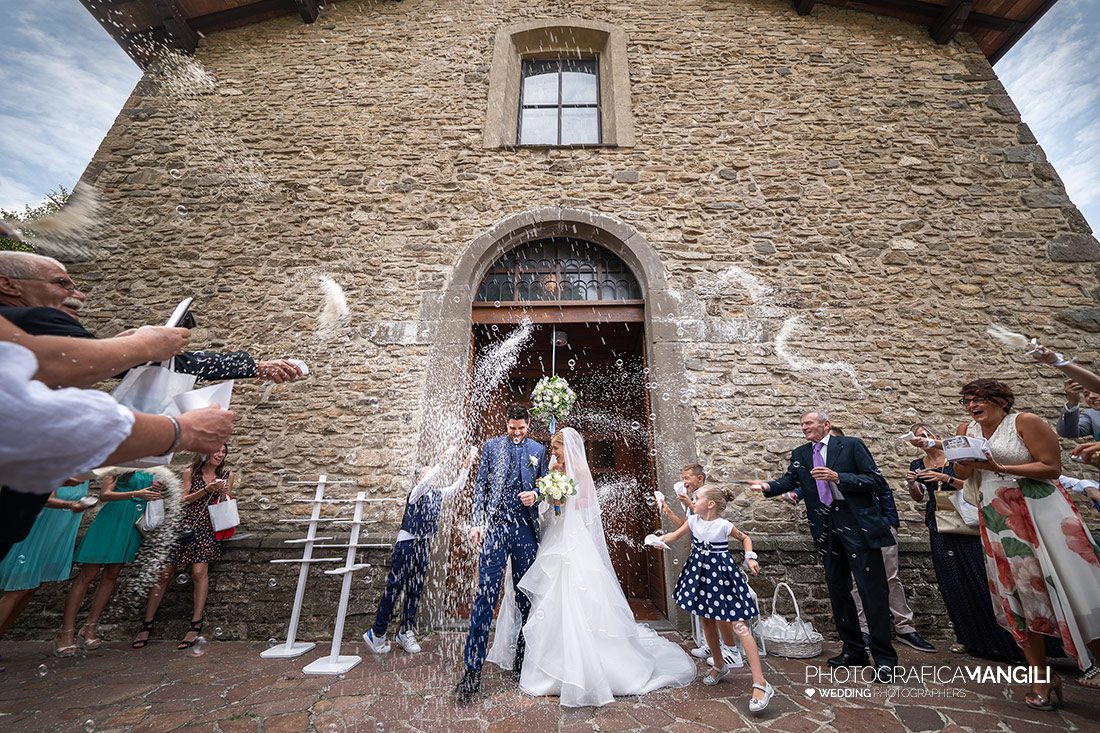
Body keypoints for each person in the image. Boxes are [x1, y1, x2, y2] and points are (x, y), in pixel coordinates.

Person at [493, 427, 695, 707]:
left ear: (567, 448)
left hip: (573, 541)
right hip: (555, 536)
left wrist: (560, 496)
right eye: (552, 449)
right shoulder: (553, 468)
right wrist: (548, 495)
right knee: (550, 598)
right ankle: (549, 669)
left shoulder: (581, 472)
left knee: (577, 595)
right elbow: (548, 505)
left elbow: (586, 503)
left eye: (556, 448)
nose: (552, 453)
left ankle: (590, 668)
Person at [951, 379, 1100, 708]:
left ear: (1001, 401)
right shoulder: (966, 428)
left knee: (1069, 585)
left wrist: (998, 466)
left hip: (1039, 513)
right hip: (998, 519)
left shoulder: (1024, 421)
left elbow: (1051, 468)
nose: (972, 406)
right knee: (1016, 592)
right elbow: (964, 472)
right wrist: (961, 460)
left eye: (980, 399)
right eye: (967, 401)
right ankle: (1042, 677)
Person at [749, 411, 898, 682]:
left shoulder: (851, 445)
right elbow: (790, 481)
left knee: (871, 591)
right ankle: (854, 650)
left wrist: (838, 476)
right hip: (827, 528)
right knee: (838, 590)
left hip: (857, 525)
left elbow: (876, 481)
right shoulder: (801, 453)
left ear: (826, 425)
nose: (804, 427)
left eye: (809, 423)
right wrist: (767, 486)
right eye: (802, 424)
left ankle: (885, 658)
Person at [0, 251, 303, 383]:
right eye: (61, 284)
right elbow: (80, 363)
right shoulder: (33, 319)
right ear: (7, 284)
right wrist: (143, 345)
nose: (77, 296)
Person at [781, 426, 935, 653]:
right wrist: (794, 494)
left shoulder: (855, 458)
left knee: (889, 578)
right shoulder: (816, 466)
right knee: (853, 583)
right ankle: (864, 631)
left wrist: (889, 522)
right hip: (842, 530)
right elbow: (808, 487)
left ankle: (905, 628)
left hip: (874, 528)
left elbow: (880, 487)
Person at [904, 423, 1023, 660]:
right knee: (952, 581)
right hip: (939, 522)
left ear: (935, 437)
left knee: (978, 576)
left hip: (965, 521)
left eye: (923, 435)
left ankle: (1002, 640)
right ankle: (967, 637)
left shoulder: (954, 458)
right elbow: (918, 497)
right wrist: (911, 483)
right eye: (915, 437)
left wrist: (943, 478)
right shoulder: (917, 464)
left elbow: (969, 485)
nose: (919, 439)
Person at [454, 405, 548, 701]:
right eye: (512, 428)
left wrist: (537, 494)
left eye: (521, 428)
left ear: (528, 425)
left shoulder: (538, 449)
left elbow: (546, 484)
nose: (517, 433)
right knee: (485, 595)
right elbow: (480, 487)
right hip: (494, 528)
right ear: (506, 424)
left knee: (526, 597)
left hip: (524, 530)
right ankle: (472, 671)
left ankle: (522, 659)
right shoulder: (491, 446)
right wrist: (477, 523)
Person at [655, 485, 772, 711]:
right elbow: (674, 535)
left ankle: (760, 682)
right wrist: (659, 541)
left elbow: (745, 537)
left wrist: (750, 557)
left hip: (722, 576)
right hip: (699, 575)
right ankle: (719, 664)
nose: (692, 500)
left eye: (696, 498)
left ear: (710, 504)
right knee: (706, 619)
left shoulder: (724, 526)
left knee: (738, 624)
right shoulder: (693, 521)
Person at [363, 447, 475, 655]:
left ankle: (405, 631)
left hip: (423, 545)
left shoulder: (437, 494)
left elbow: (457, 488)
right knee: (394, 587)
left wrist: (465, 467)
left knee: (415, 589)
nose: (429, 474)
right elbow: (425, 481)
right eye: (425, 472)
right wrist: (440, 463)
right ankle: (377, 633)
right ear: (418, 478)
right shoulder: (415, 494)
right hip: (407, 545)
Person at [132, 445, 235, 650]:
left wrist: (222, 493)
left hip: (208, 526)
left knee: (198, 572)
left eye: (223, 452)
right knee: (164, 573)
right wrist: (206, 490)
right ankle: (147, 623)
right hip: (184, 525)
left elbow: (225, 501)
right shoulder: (190, 472)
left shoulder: (227, 474)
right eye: (217, 451)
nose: (220, 455)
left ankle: (195, 624)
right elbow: (182, 500)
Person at [56, 471, 163, 655]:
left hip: (131, 523)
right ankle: (66, 632)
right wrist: (136, 494)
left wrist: (154, 490)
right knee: (88, 575)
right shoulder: (118, 465)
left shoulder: (151, 468)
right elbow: (105, 494)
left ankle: (90, 627)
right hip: (111, 518)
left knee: (112, 574)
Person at [658, 463, 740, 668]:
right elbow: (685, 527)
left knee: (718, 606)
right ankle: (711, 645)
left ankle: (731, 650)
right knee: (704, 604)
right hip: (699, 559)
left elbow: (704, 518)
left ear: (700, 479)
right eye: (682, 476)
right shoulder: (693, 501)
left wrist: (691, 504)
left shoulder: (707, 498)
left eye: (687, 477)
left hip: (714, 561)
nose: (684, 481)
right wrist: (667, 511)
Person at [0, 479, 93, 637]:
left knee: (31, 588)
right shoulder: (55, 470)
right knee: (18, 589)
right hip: (37, 533)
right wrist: (70, 505)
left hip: (57, 534)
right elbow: (46, 499)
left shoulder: (85, 476)